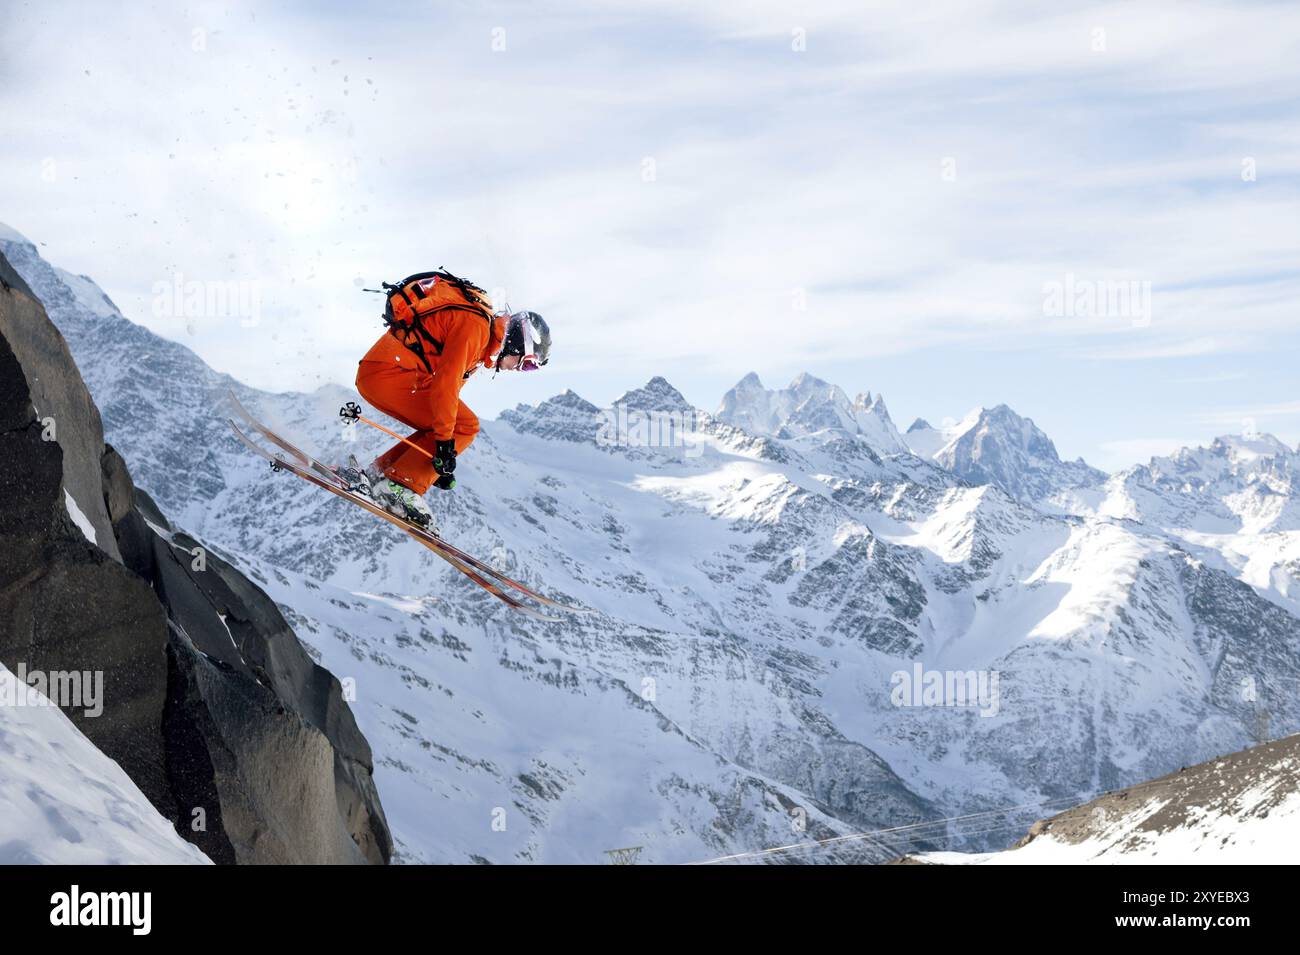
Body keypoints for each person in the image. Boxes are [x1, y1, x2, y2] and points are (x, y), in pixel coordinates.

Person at [338, 270, 551, 528]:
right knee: (465, 425)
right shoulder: (476, 329)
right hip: (389, 374)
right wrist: (443, 444)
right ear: (519, 343)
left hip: (387, 372)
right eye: (527, 364)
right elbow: (445, 387)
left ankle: (380, 476)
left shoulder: (480, 343)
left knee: (453, 425)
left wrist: (436, 462)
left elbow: (447, 399)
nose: (520, 370)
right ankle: (399, 484)